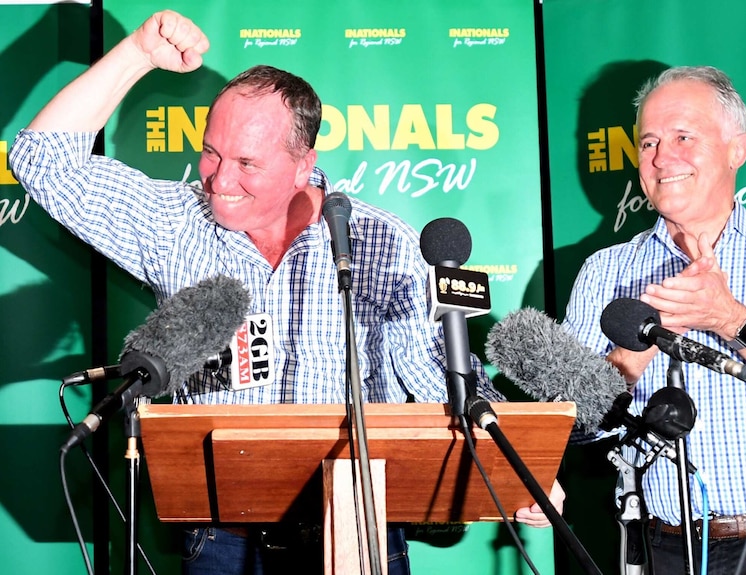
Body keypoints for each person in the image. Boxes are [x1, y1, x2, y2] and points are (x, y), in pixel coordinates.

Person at [9, 9, 564, 575]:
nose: (221, 181)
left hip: (358, 525)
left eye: (247, 162)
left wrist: (523, 469)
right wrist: (137, 55)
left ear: (304, 165)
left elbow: (436, 372)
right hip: (220, 537)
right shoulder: (175, 222)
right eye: (211, 153)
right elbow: (41, 160)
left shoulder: (379, 240)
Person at [562, 65, 746, 574]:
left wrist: (733, 321)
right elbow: (575, 430)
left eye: (684, 136)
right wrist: (625, 364)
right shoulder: (604, 270)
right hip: (659, 549)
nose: (662, 157)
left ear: (737, 149)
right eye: (649, 141)